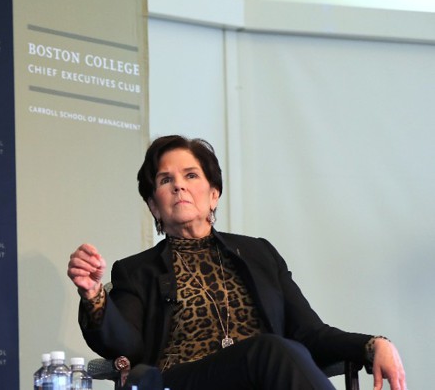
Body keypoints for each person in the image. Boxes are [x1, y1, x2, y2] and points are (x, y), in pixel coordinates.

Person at [67, 135, 407, 390]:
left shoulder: (259, 254)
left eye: (191, 176)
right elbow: (127, 346)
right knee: (270, 349)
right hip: (184, 380)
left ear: (214, 193)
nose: (179, 187)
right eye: (165, 180)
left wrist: (372, 344)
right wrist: (95, 295)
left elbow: (309, 332)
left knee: (277, 352)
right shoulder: (136, 270)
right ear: (154, 206)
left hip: (263, 377)